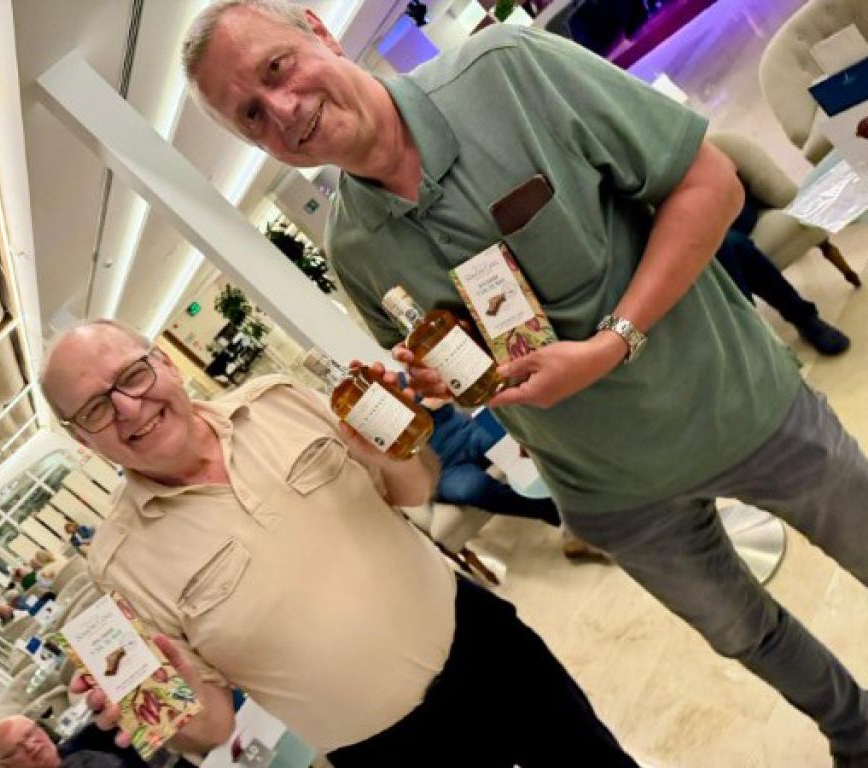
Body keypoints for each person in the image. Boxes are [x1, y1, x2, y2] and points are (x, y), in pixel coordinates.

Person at [181, 3, 868, 765]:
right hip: (613, 496)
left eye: (277, 69)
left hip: (738, 405)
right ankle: (853, 730)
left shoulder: (507, 71)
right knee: (748, 637)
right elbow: (475, 367)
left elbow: (711, 183)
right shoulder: (354, 248)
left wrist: (612, 342)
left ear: (319, 30)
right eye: (251, 114)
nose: (282, 109)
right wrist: (437, 382)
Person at [41, 320, 637, 767]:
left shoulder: (277, 400)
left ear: (165, 363)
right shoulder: (117, 567)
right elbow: (215, 729)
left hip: (486, 645)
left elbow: (415, 487)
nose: (128, 408)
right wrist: (180, 704)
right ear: (83, 442)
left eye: (132, 376)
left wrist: (390, 454)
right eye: (95, 409)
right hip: (388, 751)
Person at [423, 399, 601, 560]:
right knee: (473, 489)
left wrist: (431, 406)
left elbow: (443, 403)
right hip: (439, 470)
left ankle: (586, 488)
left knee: (515, 435)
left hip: (466, 433)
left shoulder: (409, 383)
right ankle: (571, 521)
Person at [714, 190, 850, 356]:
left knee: (724, 243)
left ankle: (753, 327)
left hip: (726, 208)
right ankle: (802, 319)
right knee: (732, 245)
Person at [0, 714, 148, 768]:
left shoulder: (87, 740)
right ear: (7, 766)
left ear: (42, 729)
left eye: (30, 733)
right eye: (16, 749)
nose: (30, 746)